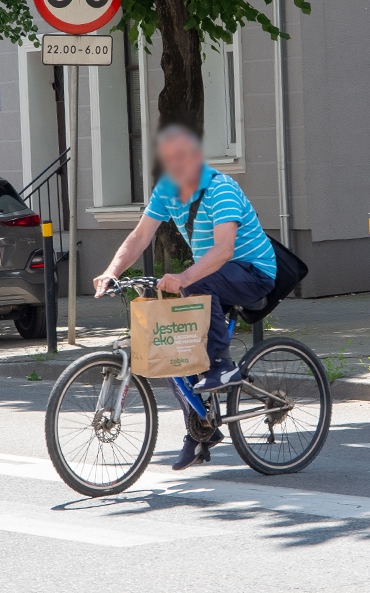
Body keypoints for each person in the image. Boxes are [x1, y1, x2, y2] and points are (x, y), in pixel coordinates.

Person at [93, 124, 277, 470]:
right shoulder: (166, 190)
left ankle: (221, 365)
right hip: (213, 273)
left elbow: (224, 251)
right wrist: (111, 272)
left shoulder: (221, 189)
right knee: (172, 351)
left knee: (197, 285)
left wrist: (183, 277)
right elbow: (139, 237)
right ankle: (200, 430)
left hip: (253, 271)